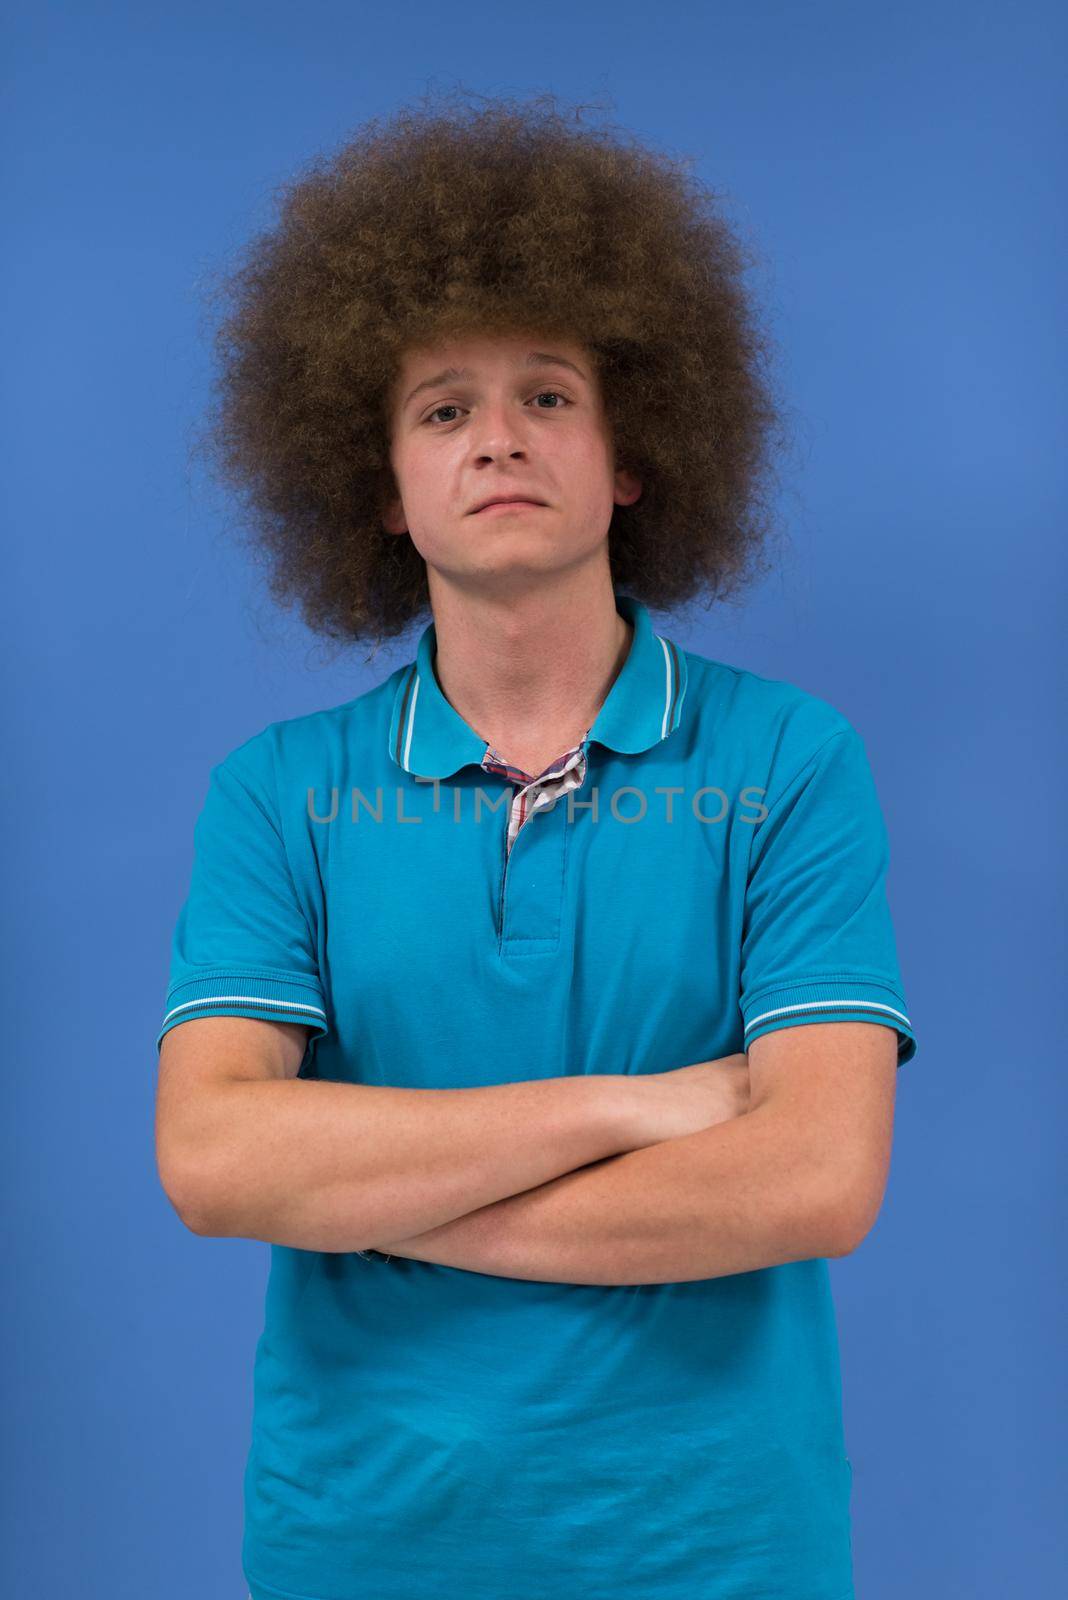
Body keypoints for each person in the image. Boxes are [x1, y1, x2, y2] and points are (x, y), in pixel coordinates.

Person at [155, 89, 916, 1600]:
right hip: (359, 1542)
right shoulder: (278, 794)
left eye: (550, 396)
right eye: (444, 408)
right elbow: (214, 1155)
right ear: (379, 489)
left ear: (635, 456)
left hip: (719, 1548)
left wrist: (388, 1201)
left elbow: (816, 1179)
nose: (499, 439)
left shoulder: (787, 763)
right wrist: (638, 1109)